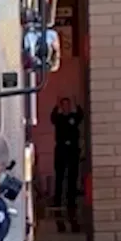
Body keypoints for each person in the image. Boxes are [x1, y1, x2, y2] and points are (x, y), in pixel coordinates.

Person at [50, 97, 84, 233]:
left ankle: (71, 200)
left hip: (73, 150)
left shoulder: (74, 117)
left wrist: (77, 104)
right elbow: (52, 117)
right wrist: (56, 106)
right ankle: (57, 199)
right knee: (59, 176)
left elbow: (81, 115)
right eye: (63, 105)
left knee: (72, 176)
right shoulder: (58, 118)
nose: (66, 107)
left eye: (67, 105)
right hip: (61, 150)